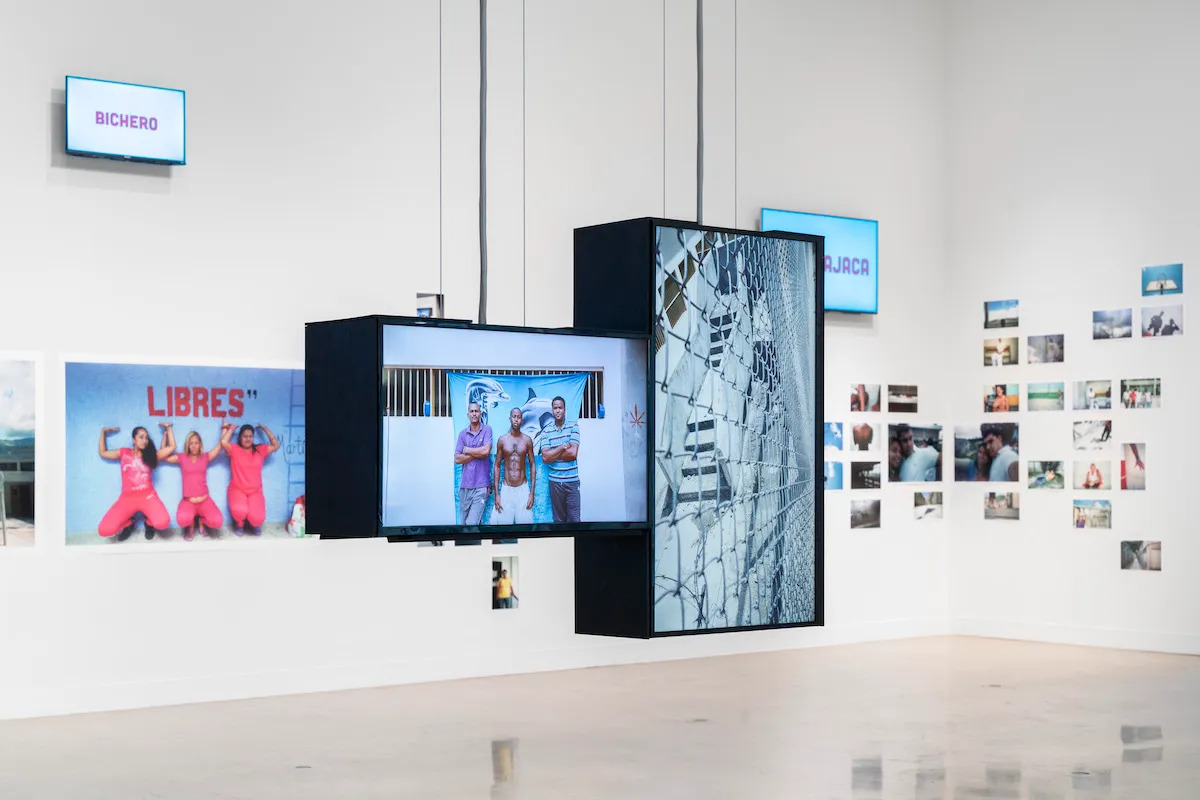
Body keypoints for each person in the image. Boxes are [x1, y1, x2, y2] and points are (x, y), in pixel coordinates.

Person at [97, 423, 176, 541]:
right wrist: (103, 432)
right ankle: (129, 523)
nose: (145, 440)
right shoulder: (123, 453)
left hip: (148, 496)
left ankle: (149, 524)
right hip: (127, 498)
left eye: (146, 437)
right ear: (134, 440)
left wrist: (169, 429)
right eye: (141, 437)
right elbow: (103, 452)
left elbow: (172, 447)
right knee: (104, 530)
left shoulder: (151, 455)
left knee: (163, 523)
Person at [165, 427, 226, 540]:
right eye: (191, 443)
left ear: (200, 444)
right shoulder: (182, 457)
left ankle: (201, 520)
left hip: (204, 500)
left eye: (196, 443)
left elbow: (220, 446)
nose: (193, 446)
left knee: (217, 522)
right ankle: (191, 524)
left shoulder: (205, 457)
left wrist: (225, 429)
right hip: (189, 501)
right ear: (187, 445)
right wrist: (167, 432)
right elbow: (164, 456)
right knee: (182, 520)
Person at [222, 422, 281, 535]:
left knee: (258, 518)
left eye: (250, 436)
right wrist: (230, 429)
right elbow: (224, 442)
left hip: (255, 491)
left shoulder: (260, 450)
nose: (248, 439)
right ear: (240, 437)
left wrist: (265, 429)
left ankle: (254, 524)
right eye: (245, 436)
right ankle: (240, 524)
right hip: (237, 489)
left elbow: (276, 446)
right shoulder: (234, 450)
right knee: (240, 511)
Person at [540, 396, 581, 523]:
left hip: (572, 482)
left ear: (565, 410)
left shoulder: (573, 426)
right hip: (555, 483)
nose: (558, 410)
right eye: (555, 408)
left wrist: (553, 452)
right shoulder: (546, 431)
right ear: (552, 410)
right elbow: (545, 458)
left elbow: (573, 453)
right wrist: (562, 447)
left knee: (575, 521)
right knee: (559, 522)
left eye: (560, 408)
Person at [493, 408, 536, 525]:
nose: (516, 419)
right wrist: (497, 494)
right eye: (514, 417)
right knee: (503, 527)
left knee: (525, 528)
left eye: (519, 417)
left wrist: (532, 493)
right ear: (510, 419)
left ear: (522, 420)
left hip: (523, 489)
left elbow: (532, 464)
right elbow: (497, 466)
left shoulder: (527, 440)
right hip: (506, 489)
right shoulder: (502, 440)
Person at [454, 401, 493, 525]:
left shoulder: (487, 430)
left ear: (480, 414)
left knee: (472, 523)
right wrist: (476, 454)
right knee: (463, 525)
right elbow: (457, 459)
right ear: (468, 415)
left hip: (481, 487)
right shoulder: (462, 434)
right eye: (472, 411)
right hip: (465, 487)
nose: (474, 413)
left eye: (476, 411)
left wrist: (467, 450)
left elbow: (486, 451)